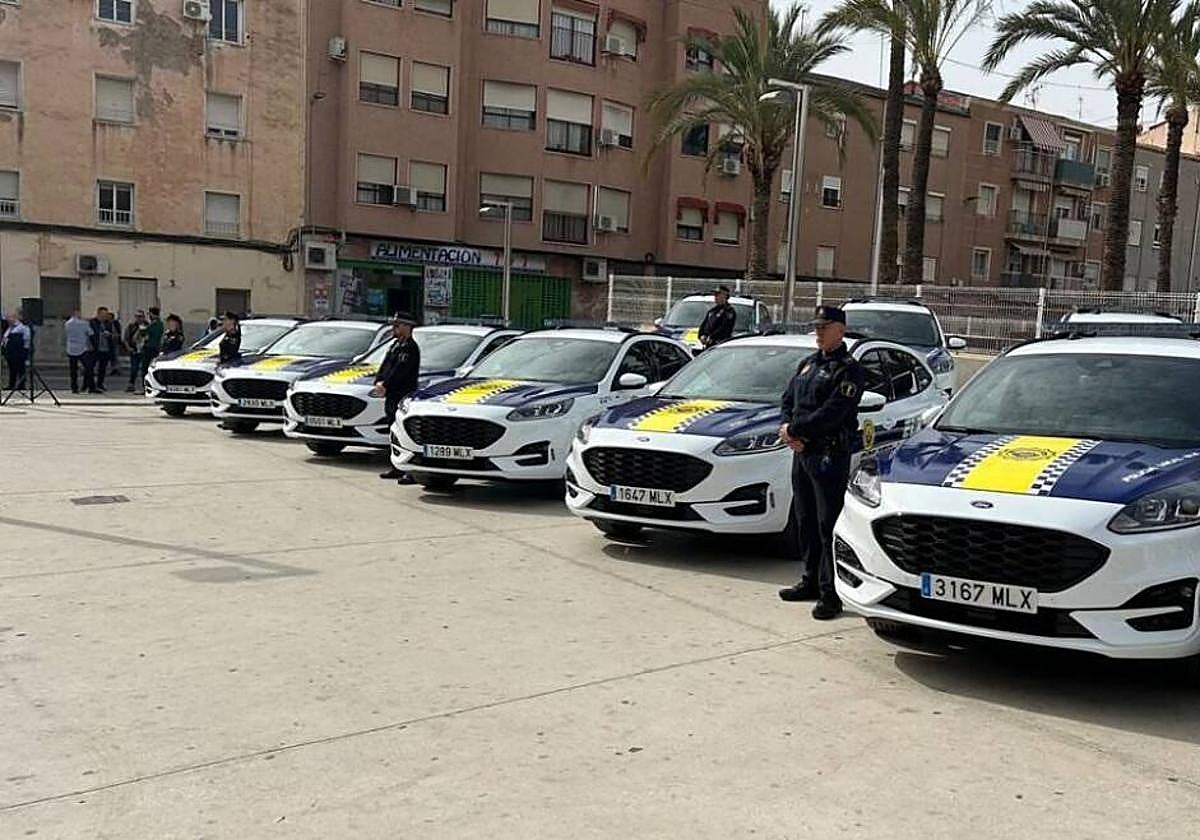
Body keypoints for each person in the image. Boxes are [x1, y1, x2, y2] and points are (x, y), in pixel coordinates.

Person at [777, 305, 867, 620]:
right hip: (802, 453)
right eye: (816, 327)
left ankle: (831, 595)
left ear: (839, 330)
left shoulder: (849, 370)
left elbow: (833, 413)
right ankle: (810, 580)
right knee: (805, 520)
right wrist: (788, 429)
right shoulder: (808, 364)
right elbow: (788, 400)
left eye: (824, 327)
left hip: (828, 455)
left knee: (827, 525)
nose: (818, 332)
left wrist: (796, 430)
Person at [373, 313, 421, 483]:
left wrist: (385, 384)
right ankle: (397, 466)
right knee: (393, 432)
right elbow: (385, 365)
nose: (394, 329)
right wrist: (378, 381)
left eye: (397, 326)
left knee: (404, 433)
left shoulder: (410, 348)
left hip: (402, 395)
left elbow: (400, 371)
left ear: (407, 327)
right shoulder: (395, 345)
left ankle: (411, 471)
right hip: (392, 395)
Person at [84, 306, 116, 393]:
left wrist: (110, 335)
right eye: (103, 315)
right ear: (98, 314)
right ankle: (88, 385)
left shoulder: (108, 323)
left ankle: (100, 384)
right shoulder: (92, 322)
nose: (104, 317)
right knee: (90, 367)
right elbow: (90, 334)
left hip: (105, 348)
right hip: (94, 348)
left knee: (102, 368)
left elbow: (113, 334)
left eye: (106, 315)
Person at [1, 310, 31, 391]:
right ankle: (11, 384)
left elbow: (26, 340)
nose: (8, 319)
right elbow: (5, 338)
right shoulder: (9, 328)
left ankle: (21, 385)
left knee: (20, 369)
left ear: (15, 318)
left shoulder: (22, 327)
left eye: (10, 317)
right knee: (12, 369)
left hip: (19, 351)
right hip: (10, 352)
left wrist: (25, 352)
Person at [64, 309, 91, 393]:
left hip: (71, 348)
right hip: (82, 348)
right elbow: (90, 333)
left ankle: (74, 387)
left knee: (73, 370)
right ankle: (87, 385)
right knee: (88, 368)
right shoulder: (84, 323)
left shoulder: (67, 324)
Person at [123, 310, 149, 393]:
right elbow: (126, 338)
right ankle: (131, 384)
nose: (139, 318)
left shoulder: (148, 326)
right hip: (134, 350)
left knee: (145, 369)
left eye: (140, 316)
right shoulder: (131, 326)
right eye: (137, 316)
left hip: (144, 350)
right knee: (134, 368)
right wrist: (128, 347)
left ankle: (145, 386)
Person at [107, 310, 122, 377]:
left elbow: (119, 332)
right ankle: (112, 369)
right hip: (109, 342)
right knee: (111, 357)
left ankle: (116, 369)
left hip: (115, 342)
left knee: (116, 356)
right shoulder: (106, 324)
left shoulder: (116, 323)